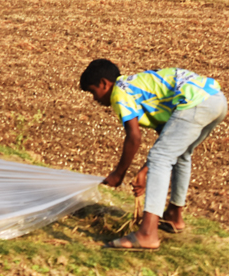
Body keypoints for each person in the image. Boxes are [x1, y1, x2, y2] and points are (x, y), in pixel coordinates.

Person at [80, 59, 226, 250]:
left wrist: (118, 174)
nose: (95, 99)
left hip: (196, 102)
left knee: (160, 158)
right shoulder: (136, 88)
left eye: (93, 92)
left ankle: (147, 234)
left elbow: (134, 137)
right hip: (216, 100)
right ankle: (174, 216)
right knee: (180, 154)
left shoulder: (119, 92)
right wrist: (144, 171)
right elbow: (168, 141)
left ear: (104, 83)